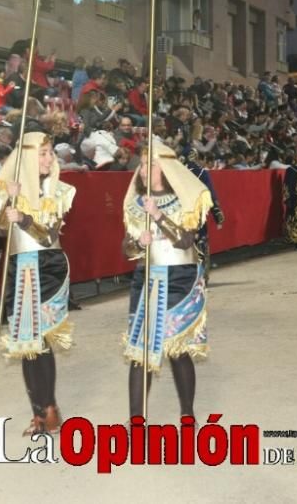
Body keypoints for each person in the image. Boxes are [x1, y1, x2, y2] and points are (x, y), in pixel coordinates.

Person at [0, 132, 76, 435]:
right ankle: (38, 412)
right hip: (17, 266)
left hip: (48, 265)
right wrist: (6, 205)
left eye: (50, 153)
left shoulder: (59, 190)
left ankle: (49, 407)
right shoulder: (6, 189)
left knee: (42, 340)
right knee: (26, 343)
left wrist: (23, 218)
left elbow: (49, 234)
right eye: (42, 153)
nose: (49, 159)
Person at [122, 140, 212, 420]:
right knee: (141, 351)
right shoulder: (134, 203)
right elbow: (126, 247)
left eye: (152, 164)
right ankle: (136, 419)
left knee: (177, 350)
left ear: (167, 168)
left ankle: (187, 414)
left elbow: (186, 240)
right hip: (146, 278)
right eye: (143, 164)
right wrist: (138, 242)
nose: (145, 170)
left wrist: (158, 216)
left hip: (179, 279)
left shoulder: (186, 198)